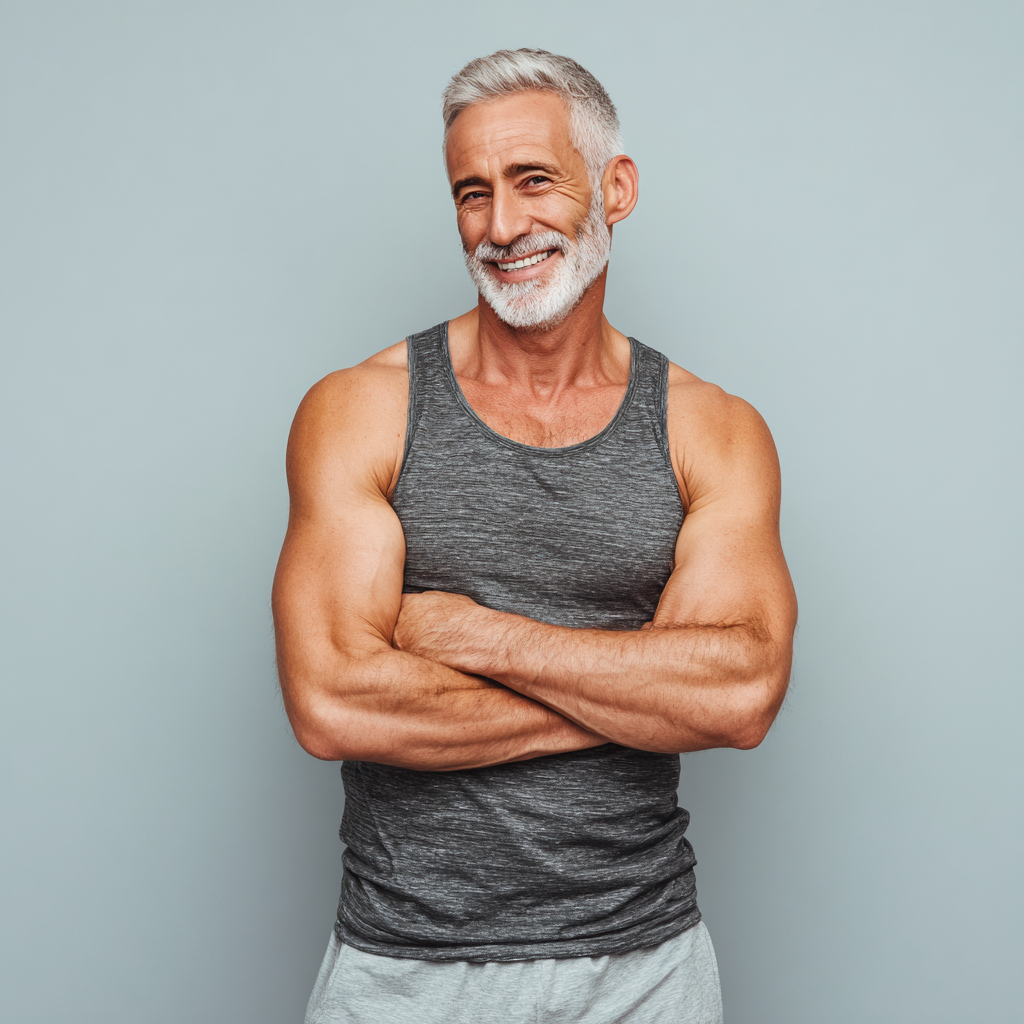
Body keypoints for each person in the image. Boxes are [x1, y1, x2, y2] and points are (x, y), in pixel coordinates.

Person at [272, 48, 797, 1024]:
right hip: (405, 971)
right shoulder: (360, 411)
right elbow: (333, 704)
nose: (502, 227)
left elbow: (739, 694)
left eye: (532, 181)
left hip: (645, 968)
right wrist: (640, 689)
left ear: (615, 187)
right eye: (471, 194)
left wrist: (480, 637)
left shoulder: (709, 429)